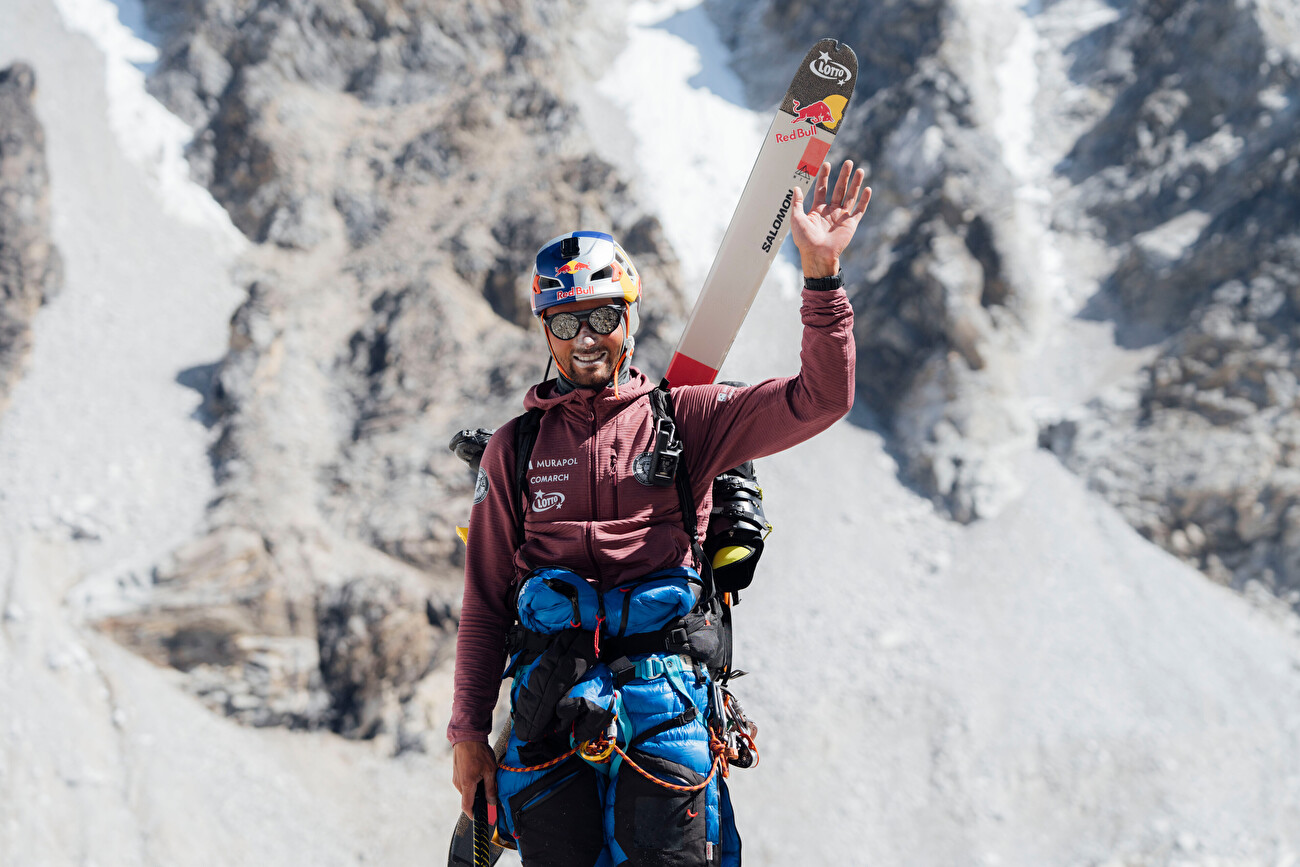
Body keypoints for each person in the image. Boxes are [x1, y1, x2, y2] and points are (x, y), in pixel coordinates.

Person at [450, 160, 871, 866]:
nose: (587, 338)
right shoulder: (513, 451)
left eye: (604, 317)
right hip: (546, 718)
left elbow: (820, 399)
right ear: (544, 330)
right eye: (567, 322)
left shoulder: (692, 419)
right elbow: (486, 601)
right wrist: (467, 731)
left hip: (665, 710)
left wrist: (822, 274)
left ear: (630, 319)